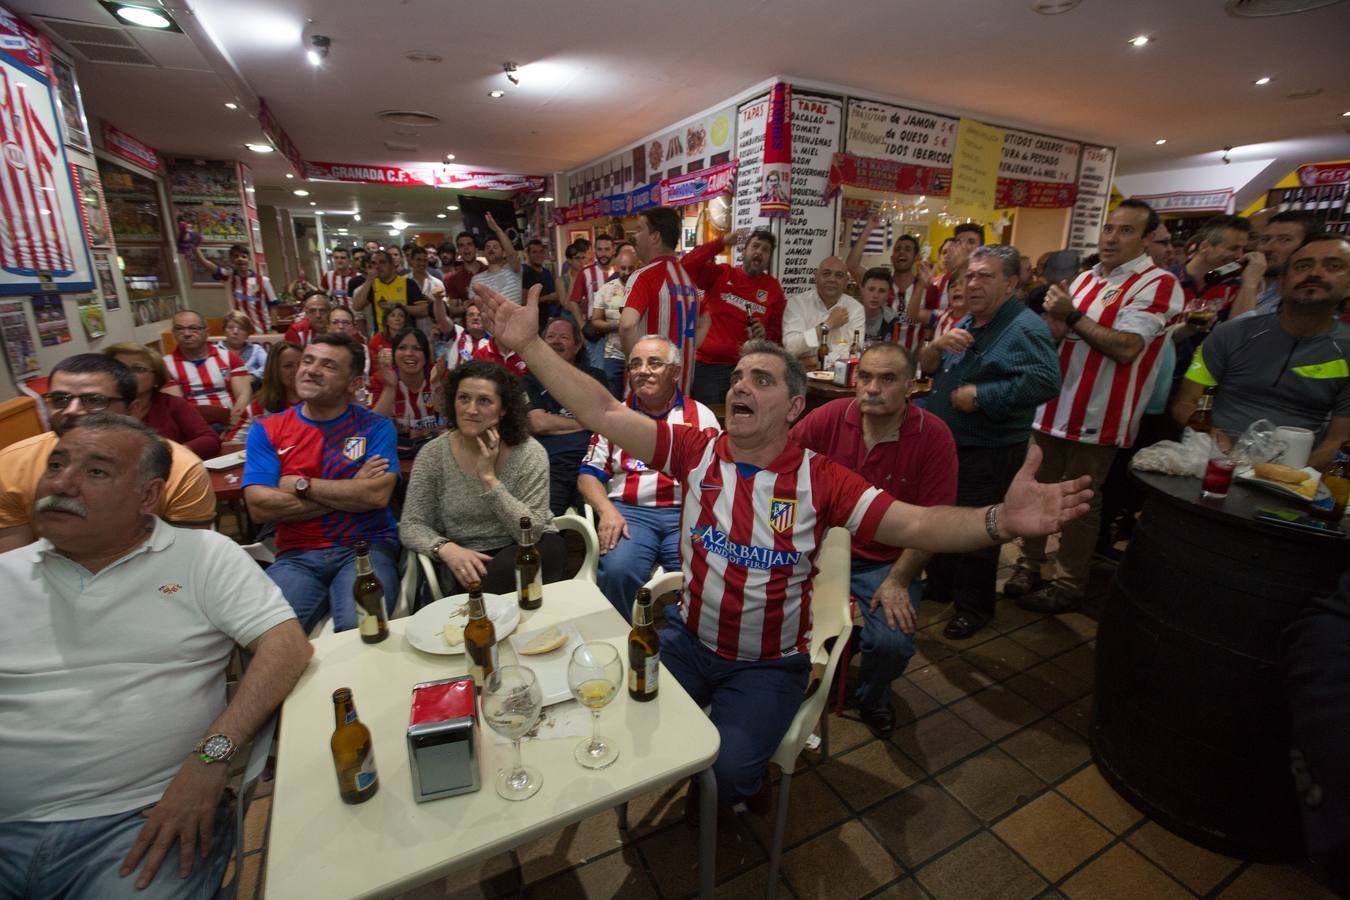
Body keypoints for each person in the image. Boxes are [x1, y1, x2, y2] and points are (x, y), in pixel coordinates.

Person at [474, 280, 1092, 808]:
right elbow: (606, 411)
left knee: (727, 779)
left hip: (768, 665)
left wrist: (999, 522)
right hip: (687, 641)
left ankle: (732, 789)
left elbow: (917, 524)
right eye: (738, 376)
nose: (741, 385)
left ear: (795, 406)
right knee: (637, 741)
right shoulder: (696, 451)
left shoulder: (822, 481)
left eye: (761, 379)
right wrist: (527, 345)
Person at [0, 413, 312, 899]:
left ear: (148, 496)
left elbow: (287, 646)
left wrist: (211, 760)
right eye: (56, 464)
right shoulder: (6, 575)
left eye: (96, 472)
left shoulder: (201, 557)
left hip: (145, 818)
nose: (62, 483)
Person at [1011, 199, 1183, 615]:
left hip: (1100, 416)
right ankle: (1028, 565)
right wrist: (1050, 323)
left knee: (1080, 505)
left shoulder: (1157, 284)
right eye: (1109, 228)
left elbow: (1126, 348)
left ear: (1145, 240)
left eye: (1125, 231)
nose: (1111, 237)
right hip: (1051, 409)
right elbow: (1060, 339)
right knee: (1034, 489)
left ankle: (1070, 583)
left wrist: (1069, 317)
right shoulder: (1086, 279)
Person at [792, 343, 958, 737]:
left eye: (887, 379)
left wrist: (900, 579)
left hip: (887, 560)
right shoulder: (831, 416)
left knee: (892, 643)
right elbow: (782, 459)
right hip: (822, 548)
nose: (872, 388)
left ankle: (872, 695)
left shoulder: (933, 436)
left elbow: (934, 523)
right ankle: (785, 681)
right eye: (865, 376)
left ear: (911, 386)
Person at [918, 246, 1062, 640]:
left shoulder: (1023, 326)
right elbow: (935, 365)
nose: (973, 283)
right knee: (948, 520)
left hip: (989, 448)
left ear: (1011, 284)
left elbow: (1046, 382)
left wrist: (981, 396)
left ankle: (974, 609)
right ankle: (943, 585)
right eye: (970, 276)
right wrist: (939, 346)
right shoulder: (975, 318)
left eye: (985, 276)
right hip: (957, 445)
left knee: (979, 531)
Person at [242, 335, 401, 632]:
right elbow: (260, 506)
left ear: (354, 383)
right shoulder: (267, 429)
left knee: (361, 628)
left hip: (366, 548)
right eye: (307, 360)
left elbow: (375, 496)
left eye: (328, 365)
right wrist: (350, 488)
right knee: (265, 634)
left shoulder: (376, 427)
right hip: (296, 555)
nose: (311, 370)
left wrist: (302, 485)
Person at [0, 354, 216, 553]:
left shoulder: (180, 468)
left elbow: (185, 563)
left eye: (94, 400)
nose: (72, 410)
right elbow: (16, 567)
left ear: (133, 411)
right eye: (60, 399)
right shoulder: (12, 464)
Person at [1172, 233, 1350, 470]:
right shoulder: (1231, 334)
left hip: (1295, 477)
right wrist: (1213, 441)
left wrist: (1284, 477)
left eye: (1333, 266)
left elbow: (1339, 440)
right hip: (1210, 459)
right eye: (1303, 266)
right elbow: (1186, 402)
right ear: (1282, 282)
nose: (1315, 273)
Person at [578, 335, 720, 618]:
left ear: (675, 372)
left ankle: (679, 645)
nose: (643, 370)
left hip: (685, 512)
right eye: (635, 364)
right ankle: (620, 638)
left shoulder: (700, 416)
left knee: (695, 574)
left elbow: (719, 477)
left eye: (654, 363)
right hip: (630, 514)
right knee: (619, 570)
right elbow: (588, 475)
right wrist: (606, 510)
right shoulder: (615, 417)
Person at [399, 360, 565, 597]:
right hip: (464, 556)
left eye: (484, 401)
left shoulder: (529, 452)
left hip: (525, 549)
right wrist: (445, 548)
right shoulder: (433, 454)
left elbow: (531, 531)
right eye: (464, 398)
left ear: (504, 409)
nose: (471, 410)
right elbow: (411, 524)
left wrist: (489, 479)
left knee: (507, 567)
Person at [683, 228, 787, 406]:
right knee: (713, 424)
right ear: (744, 250)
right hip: (709, 368)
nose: (759, 252)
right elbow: (685, 266)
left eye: (765, 250)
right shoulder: (722, 274)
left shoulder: (774, 289)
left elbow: (777, 337)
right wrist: (721, 242)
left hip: (749, 369)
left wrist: (765, 335)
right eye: (755, 246)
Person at [524, 317, 608, 515]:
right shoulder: (529, 380)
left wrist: (560, 423)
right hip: (550, 466)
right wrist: (588, 421)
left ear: (577, 346)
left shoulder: (595, 377)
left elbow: (606, 419)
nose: (556, 341)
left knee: (602, 522)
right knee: (542, 527)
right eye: (550, 336)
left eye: (563, 337)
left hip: (590, 463)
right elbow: (537, 423)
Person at [620, 206, 700, 397]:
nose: (634, 236)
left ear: (655, 237)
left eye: (639, 230)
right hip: (682, 387)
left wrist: (635, 366)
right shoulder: (689, 281)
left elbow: (627, 325)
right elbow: (705, 322)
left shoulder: (644, 276)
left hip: (648, 391)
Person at [105, 341, 220, 460]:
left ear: (156, 379)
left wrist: (171, 453)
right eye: (119, 368)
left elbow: (210, 439)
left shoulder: (172, 404)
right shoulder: (100, 407)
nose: (127, 374)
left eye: (138, 369)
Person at [167, 310, 252, 429]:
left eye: (193, 328)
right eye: (179, 329)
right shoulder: (166, 365)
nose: (186, 333)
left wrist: (235, 421)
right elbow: (178, 408)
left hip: (231, 423)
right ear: (173, 334)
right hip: (193, 427)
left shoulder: (229, 357)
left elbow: (243, 396)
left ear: (206, 332)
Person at [371, 327, 448, 451]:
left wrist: (436, 386)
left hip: (436, 453)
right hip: (394, 454)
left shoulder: (441, 374)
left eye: (417, 349)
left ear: (426, 355)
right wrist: (390, 388)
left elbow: (448, 425)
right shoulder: (381, 379)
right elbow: (373, 427)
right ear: (394, 354)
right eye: (402, 348)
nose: (409, 353)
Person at [782, 256, 865, 369]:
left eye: (839, 275)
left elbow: (854, 353)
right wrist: (827, 325)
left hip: (839, 379)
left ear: (846, 282)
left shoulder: (856, 309)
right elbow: (791, 348)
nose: (832, 279)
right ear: (816, 277)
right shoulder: (797, 303)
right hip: (802, 377)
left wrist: (815, 359)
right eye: (826, 273)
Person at [1230, 211, 1316, 318]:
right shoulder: (1255, 283)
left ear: (1308, 247)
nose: (1267, 248)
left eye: (1284, 240)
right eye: (1265, 239)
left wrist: (1249, 285)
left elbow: (1238, 333)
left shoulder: (1307, 297)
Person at [847, 223, 935, 316]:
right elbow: (852, 266)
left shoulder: (927, 289)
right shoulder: (881, 284)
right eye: (897, 249)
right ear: (892, 258)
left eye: (907, 249)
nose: (901, 252)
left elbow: (931, 326)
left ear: (917, 257)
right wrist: (868, 228)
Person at [590, 245, 641, 398]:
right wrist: (616, 325)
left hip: (639, 354)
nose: (626, 272)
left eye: (630, 268)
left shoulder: (644, 288)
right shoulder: (605, 290)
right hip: (613, 356)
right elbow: (595, 321)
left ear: (638, 267)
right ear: (617, 267)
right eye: (623, 268)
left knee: (639, 398)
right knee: (613, 399)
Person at [226, 340, 303, 442]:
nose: (297, 371)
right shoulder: (259, 407)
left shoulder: (320, 402)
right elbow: (232, 444)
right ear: (274, 370)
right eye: (288, 366)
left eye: (301, 364)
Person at [192, 243, 277, 333]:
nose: (240, 259)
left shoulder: (263, 281)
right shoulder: (228, 277)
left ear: (249, 259)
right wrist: (194, 246)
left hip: (262, 330)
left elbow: (274, 305)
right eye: (236, 256)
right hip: (238, 331)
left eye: (243, 256)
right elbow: (206, 264)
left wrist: (274, 328)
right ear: (232, 260)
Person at [351, 249, 428, 336]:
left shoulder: (408, 283)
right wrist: (369, 280)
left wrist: (400, 307)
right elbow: (357, 306)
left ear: (391, 264)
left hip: (406, 336)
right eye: (374, 263)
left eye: (382, 262)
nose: (377, 266)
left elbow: (424, 310)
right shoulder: (372, 285)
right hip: (382, 338)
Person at [568, 233, 615, 366]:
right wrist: (582, 326)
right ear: (595, 251)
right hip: (595, 333)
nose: (603, 253)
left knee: (617, 372)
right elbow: (573, 301)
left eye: (607, 249)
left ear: (613, 250)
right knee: (598, 369)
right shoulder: (586, 273)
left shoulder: (620, 271)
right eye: (599, 249)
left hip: (617, 331)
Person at [469, 212, 523, 305]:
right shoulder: (476, 279)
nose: (491, 249)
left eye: (495, 247)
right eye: (488, 247)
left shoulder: (513, 270)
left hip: (513, 318)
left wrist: (497, 229)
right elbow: (474, 304)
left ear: (503, 253)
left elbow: (512, 254)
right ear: (483, 253)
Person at [217, 311, 267, 386]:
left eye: (241, 328)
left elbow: (269, 366)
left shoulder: (256, 349)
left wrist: (254, 376)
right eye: (230, 327)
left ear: (248, 333)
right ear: (224, 331)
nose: (235, 332)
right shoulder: (215, 350)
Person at [443, 300, 496, 371]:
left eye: (479, 315)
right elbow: (442, 318)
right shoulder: (457, 332)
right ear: (465, 319)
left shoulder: (493, 343)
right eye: (471, 315)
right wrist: (438, 299)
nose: (475, 318)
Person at [443, 231, 484, 318]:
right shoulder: (452, 278)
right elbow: (453, 309)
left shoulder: (488, 270)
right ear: (458, 251)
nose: (466, 248)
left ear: (476, 248)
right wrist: (468, 305)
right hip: (470, 327)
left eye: (469, 244)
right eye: (461, 245)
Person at [521, 238, 560, 329]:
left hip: (548, 320)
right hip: (532, 322)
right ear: (528, 254)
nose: (539, 255)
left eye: (541, 252)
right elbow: (525, 301)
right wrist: (548, 297)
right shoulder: (526, 273)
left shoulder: (547, 272)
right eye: (534, 252)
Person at [858, 266, 900, 343]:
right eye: (871, 289)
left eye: (882, 291)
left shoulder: (892, 320)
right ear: (862, 290)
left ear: (888, 295)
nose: (875, 295)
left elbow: (892, 349)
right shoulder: (849, 314)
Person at [321, 245, 358, 312]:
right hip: (337, 316)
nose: (339, 261)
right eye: (336, 258)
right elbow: (321, 295)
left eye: (343, 258)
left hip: (356, 316)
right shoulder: (328, 276)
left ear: (349, 260)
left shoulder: (358, 276)